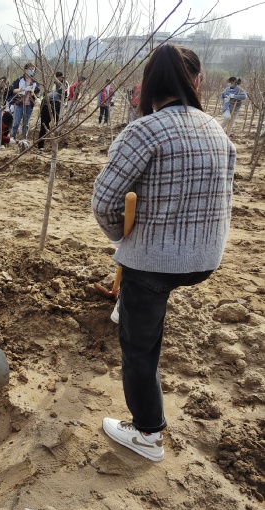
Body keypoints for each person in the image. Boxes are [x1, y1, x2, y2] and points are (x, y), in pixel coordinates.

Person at [92, 44, 234, 462]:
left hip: (154, 264)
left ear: (148, 84)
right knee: (144, 303)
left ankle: (148, 433)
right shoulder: (217, 130)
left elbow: (104, 202)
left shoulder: (144, 131)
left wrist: (123, 239)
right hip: (205, 259)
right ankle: (131, 304)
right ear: (196, 82)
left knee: (139, 348)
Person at [37, 72, 66, 152]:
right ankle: (56, 146)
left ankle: (40, 147)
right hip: (54, 103)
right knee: (57, 126)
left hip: (45, 102)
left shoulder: (56, 89)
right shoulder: (61, 90)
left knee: (44, 126)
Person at [10, 62, 38, 142]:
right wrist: (21, 90)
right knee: (16, 121)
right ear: (25, 70)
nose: (32, 71)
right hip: (19, 103)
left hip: (29, 105)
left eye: (33, 69)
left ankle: (24, 138)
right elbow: (12, 90)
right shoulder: (19, 80)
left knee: (26, 123)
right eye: (30, 69)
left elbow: (37, 92)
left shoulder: (34, 81)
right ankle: (13, 136)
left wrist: (35, 95)